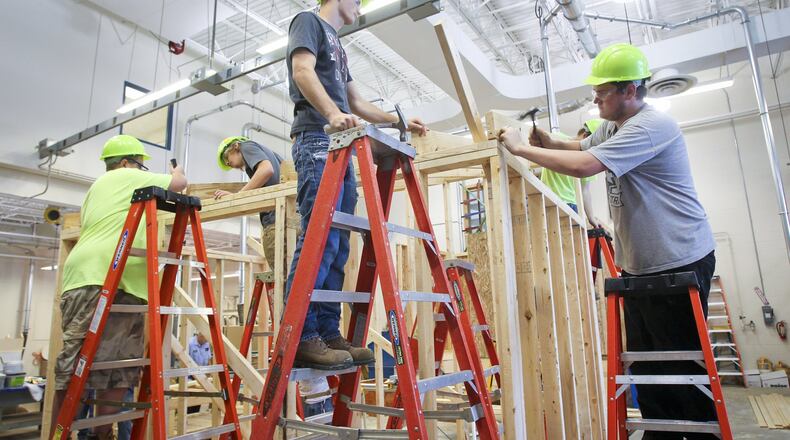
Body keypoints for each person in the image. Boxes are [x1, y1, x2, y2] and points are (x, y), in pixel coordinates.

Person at [497, 43, 717, 439]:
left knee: (680, 365)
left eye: (603, 91)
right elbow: (581, 147)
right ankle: (659, 432)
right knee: (647, 364)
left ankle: (698, 434)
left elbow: (585, 166)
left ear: (631, 91)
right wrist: (547, 141)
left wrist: (521, 149)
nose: (595, 97)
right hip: (640, 265)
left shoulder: (651, 126)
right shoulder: (611, 127)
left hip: (678, 261)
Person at [285, 0, 428, 370]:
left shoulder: (338, 45)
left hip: (339, 144)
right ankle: (302, 335)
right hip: (318, 139)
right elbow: (302, 71)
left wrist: (397, 121)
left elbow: (355, 101)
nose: (359, 6)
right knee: (321, 237)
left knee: (339, 242)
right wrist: (332, 114)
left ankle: (328, 331)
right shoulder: (308, 22)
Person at [51, 134, 187, 439]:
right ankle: (99, 434)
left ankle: (71, 433)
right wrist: (175, 170)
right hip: (108, 275)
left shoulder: (95, 190)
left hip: (87, 276)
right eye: (140, 165)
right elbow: (179, 184)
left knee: (86, 367)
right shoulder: (126, 176)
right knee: (114, 371)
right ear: (126, 162)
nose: (140, 170)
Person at [214, 136, 284, 267]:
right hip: (286, 217)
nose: (230, 165)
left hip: (275, 221)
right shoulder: (271, 155)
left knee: (282, 276)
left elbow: (266, 170)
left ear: (235, 147)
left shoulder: (246, 146)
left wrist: (238, 196)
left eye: (228, 161)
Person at [538, 119, 602, 222]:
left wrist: (591, 218)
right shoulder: (557, 139)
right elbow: (585, 191)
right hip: (553, 201)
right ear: (586, 137)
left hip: (563, 203)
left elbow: (585, 191)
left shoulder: (588, 157)